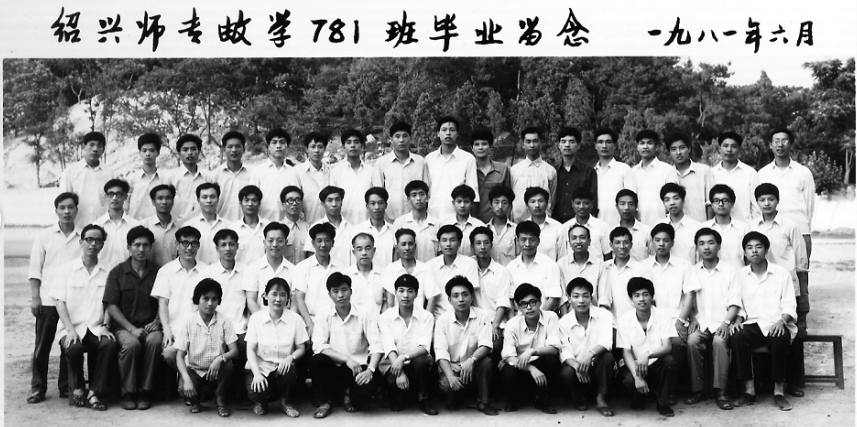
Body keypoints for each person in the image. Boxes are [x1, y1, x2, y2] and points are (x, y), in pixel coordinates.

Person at [728, 232, 798, 411]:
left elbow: (789, 304)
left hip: (777, 322)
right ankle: (749, 391)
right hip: (752, 324)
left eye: (758, 247)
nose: (754, 251)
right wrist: (738, 319)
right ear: (744, 252)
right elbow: (738, 303)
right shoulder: (740, 275)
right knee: (737, 336)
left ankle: (779, 392)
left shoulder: (781, 273)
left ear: (766, 250)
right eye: (749, 248)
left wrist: (781, 321)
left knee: (779, 337)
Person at [52, 224, 118, 411]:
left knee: (108, 344)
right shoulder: (66, 269)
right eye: (89, 239)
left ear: (103, 244)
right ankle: (78, 386)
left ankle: (95, 392)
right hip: (72, 328)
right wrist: (70, 330)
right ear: (81, 242)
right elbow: (59, 302)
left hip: (97, 327)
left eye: (98, 240)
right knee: (73, 347)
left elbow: (110, 302)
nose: (93, 244)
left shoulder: (109, 270)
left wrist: (105, 325)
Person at [26, 192, 79, 404]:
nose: (66, 212)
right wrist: (35, 297)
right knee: (42, 347)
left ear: (76, 210)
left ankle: (66, 387)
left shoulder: (83, 237)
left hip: (71, 302)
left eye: (70, 207)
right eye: (62, 208)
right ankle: (38, 388)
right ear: (56, 210)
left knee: (69, 345)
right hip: (48, 300)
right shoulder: (44, 237)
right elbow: (35, 270)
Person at [104, 226, 162, 410]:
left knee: (155, 341)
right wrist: (131, 329)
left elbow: (165, 300)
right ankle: (128, 392)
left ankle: (145, 391)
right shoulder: (117, 272)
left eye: (145, 245)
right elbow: (111, 306)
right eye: (137, 245)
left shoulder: (159, 272)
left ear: (151, 247)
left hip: (151, 326)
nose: (141, 249)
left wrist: (157, 321)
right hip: (123, 327)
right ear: (129, 247)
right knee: (131, 345)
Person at [310, 272, 383, 418]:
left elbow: (377, 345)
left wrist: (370, 370)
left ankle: (348, 394)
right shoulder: (323, 313)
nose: (340, 295)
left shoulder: (364, 313)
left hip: (357, 368)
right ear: (329, 295)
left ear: (351, 291)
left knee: (365, 396)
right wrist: (346, 359)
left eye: (344, 290)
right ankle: (325, 402)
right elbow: (318, 345)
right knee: (317, 360)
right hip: (334, 366)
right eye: (335, 291)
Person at [644, 223, 700, 403]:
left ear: (672, 243)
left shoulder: (683, 265)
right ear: (652, 242)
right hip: (652, 321)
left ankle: (670, 391)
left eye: (666, 240)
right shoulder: (644, 266)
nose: (661, 244)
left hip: (676, 320)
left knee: (675, 345)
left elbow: (689, 294)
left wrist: (681, 320)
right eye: (657, 240)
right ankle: (653, 388)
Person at [685, 228, 739, 410]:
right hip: (700, 323)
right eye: (701, 244)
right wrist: (692, 318)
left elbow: (735, 302)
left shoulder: (730, 272)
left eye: (710, 243)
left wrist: (726, 323)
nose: (706, 247)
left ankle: (721, 392)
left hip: (722, 322)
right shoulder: (692, 271)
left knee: (719, 342)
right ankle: (697, 390)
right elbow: (687, 300)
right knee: (692, 341)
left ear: (719, 246)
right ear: (697, 248)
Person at [201, 229, 252, 406]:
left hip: (239, 326)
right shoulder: (208, 273)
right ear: (217, 248)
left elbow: (250, 301)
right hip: (215, 326)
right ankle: (217, 391)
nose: (228, 248)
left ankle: (240, 391)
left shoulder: (247, 271)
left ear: (237, 246)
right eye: (223, 245)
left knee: (244, 344)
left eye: (231, 244)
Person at [174, 278, 239, 417]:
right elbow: (179, 356)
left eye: (214, 299)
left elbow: (234, 351)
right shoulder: (187, 322)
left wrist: (220, 359)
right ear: (198, 299)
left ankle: (220, 400)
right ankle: (195, 401)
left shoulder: (225, 321)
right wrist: (186, 379)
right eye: (205, 298)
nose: (210, 303)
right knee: (183, 388)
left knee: (228, 366)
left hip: (216, 371)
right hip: (195, 370)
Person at [434, 276, 497, 416]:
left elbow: (486, 345)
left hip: (473, 365)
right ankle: (459, 396)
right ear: (449, 300)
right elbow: (441, 352)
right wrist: (450, 375)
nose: (461, 299)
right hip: (452, 367)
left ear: (471, 297)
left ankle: (483, 402)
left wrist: (471, 360)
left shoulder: (483, 316)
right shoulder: (442, 321)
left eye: (465, 294)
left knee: (486, 362)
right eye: (455, 296)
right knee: (447, 387)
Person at [245, 278, 308, 417]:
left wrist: (291, 357)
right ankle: (261, 403)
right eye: (274, 294)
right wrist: (257, 374)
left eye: (282, 295)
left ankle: (285, 402)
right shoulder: (256, 318)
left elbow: (301, 348)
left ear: (288, 298)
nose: (278, 299)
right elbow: (250, 350)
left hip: (282, 368)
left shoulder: (295, 319)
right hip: (261, 367)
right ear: (265, 296)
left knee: (290, 370)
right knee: (255, 391)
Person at [752, 183, 809, 337]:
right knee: (767, 327)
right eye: (762, 200)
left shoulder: (790, 226)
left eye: (771, 199)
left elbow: (801, 261)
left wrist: (801, 290)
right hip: (763, 284)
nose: (766, 203)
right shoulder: (752, 226)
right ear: (757, 202)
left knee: (791, 327)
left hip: (787, 283)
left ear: (778, 200)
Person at [377, 274, 438, 415]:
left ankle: (424, 399)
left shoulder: (426, 316)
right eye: (401, 291)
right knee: (397, 404)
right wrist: (400, 373)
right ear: (395, 293)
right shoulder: (385, 317)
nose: (405, 295)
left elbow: (424, 347)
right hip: (393, 364)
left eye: (410, 291)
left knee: (421, 363)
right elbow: (389, 346)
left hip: (416, 363)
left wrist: (403, 357)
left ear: (416, 294)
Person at [617, 277, 678, 417]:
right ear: (631, 299)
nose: (641, 299)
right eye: (636, 295)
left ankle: (662, 403)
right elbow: (626, 353)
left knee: (668, 361)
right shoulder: (624, 320)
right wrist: (636, 376)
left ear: (652, 297)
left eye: (645, 294)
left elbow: (667, 347)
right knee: (629, 382)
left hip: (656, 364)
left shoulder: (663, 316)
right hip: (636, 366)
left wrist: (648, 355)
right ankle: (639, 397)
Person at [151, 226, 207, 369]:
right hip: (174, 330)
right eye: (185, 243)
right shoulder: (166, 271)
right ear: (177, 245)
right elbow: (163, 304)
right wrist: (166, 331)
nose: (189, 248)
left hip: (200, 332)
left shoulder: (207, 271)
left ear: (198, 246)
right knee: (168, 354)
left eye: (194, 243)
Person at [558, 278, 615, 416]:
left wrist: (590, 355)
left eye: (585, 296)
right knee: (566, 373)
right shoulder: (564, 322)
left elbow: (607, 342)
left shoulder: (604, 315)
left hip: (597, 367)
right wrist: (577, 366)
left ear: (591, 297)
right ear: (569, 298)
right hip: (576, 369)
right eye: (576, 296)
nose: (581, 301)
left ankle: (601, 398)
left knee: (607, 357)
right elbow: (564, 351)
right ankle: (578, 397)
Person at [500, 283, 561, 414]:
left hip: (541, 365)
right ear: (518, 307)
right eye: (524, 304)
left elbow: (554, 348)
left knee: (551, 360)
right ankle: (514, 400)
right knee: (508, 370)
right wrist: (531, 368)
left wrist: (532, 351)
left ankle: (544, 400)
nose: (529, 307)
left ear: (540, 302)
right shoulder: (512, 325)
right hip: (521, 367)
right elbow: (508, 356)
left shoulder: (551, 317)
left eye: (532, 302)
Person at [758, 129, 816, 259]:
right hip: (771, 231)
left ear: (791, 144)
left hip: (800, 230)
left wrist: (806, 228)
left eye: (784, 141)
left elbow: (810, 205)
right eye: (776, 141)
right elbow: (759, 204)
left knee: (800, 269)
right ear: (770, 145)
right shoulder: (762, 174)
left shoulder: (803, 172)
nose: (780, 144)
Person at [293, 223, 346, 339]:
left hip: (336, 321)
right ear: (313, 243)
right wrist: (309, 324)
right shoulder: (302, 267)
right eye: (319, 241)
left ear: (333, 243)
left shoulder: (341, 267)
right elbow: (299, 299)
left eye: (327, 240)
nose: (323, 244)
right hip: (312, 320)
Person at [371, 121, 432, 223]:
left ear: (410, 138)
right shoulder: (381, 163)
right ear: (391, 139)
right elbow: (378, 193)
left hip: (416, 220)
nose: (401, 140)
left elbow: (426, 190)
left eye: (405, 136)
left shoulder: (420, 162)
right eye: (397, 136)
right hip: (390, 221)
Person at [470, 226, 513, 364]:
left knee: (494, 345)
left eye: (486, 242)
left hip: (495, 322)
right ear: (472, 247)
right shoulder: (468, 268)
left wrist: (494, 326)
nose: (482, 247)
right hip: (473, 322)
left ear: (491, 245)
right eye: (478, 243)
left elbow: (503, 302)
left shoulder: (502, 271)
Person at [425, 116, 479, 221]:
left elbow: (473, 193)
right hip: (432, 217)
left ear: (457, 133)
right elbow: (426, 191)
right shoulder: (429, 159)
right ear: (438, 133)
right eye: (444, 130)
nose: (448, 133)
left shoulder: (468, 159)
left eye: (452, 130)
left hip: (458, 218)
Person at [59, 131, 115, 227]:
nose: (95, 149)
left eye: (99, 146)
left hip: (103, 227)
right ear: (83, 147)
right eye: (91, 145)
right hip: (78, 227)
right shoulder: (70, 172)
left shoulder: (110, 173)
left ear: (103, 150)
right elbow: (63, 201)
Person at [598, 227, 650, 327]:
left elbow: (647, 299)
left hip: (634, 325)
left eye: (625, 242)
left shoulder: (641, 269)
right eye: (617, 242)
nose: (622, 246)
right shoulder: (604, 267)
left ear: (631, 245)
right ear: (611, 245)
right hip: (611, 325)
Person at [506, 221, 563, 312]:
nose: (527, 244)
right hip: (518, 318)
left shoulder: (550, 265)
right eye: (523, 240)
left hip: (544, 316)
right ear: (517, 241)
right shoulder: (510, 267)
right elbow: (510, 299)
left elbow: (554, 298)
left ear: (538, 241)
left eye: (532, 240)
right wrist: (516, 319)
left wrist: (537, 316)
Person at [381, 228, 442, 314]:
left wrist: (426, 318)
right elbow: (390, 302)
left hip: (420, 318)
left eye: (410, 244)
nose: (407, 248)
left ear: (415, 246)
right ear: (397, 248)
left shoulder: (425, 269)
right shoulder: (390, 269)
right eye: (403, 244)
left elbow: (432, 299)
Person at [427, 225, 481, 318]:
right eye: (444, 240)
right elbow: (430, 298)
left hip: (463, 317)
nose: (448, 244)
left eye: (452, 240)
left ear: (459, 243)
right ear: (439, 243)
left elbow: (471, 294)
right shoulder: (430, 266)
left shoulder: (469, 264)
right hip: (438, 318)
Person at [243, 222, 295, 314]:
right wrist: (263, 321)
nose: (275, 244)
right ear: (264, 242)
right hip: (259, 319)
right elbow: (251, 301)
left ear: (286, 243)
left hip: (286, 320)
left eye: (279, 240)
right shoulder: (252, 269)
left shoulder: (294, 270)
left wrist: (287, 321)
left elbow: (294, 303)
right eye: (270, 240)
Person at [711, 131, 761, 224]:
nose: (729, 150)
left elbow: (756, 206)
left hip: (745, 227)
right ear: (719, 149)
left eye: (733, 146)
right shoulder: (711, 173)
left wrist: (754, 227)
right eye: (725, 146)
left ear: (739, 150)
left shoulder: (750, 173)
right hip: (717, 228)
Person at [631, 129, 678, 225]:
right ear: (637, 147)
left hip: (662, 225)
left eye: (649, 143)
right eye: (642, 143)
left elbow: (674, 199)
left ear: (656, 147)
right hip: (638, 227)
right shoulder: (632, 172)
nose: (645, 147)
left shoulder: (667, 170)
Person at [510, 127, 557, 222]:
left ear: (541, 143)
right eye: (528, 142)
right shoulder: (514, 170)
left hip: (542, 223)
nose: (532, 145)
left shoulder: (550, 171)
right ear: (523, 144)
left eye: (535, 141)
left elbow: (553, 199)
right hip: (518, 221)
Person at [554, 127, 598, 223]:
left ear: (578, 145)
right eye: (563, 141)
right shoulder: (553, 171)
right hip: (555, 223)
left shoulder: (588, 172)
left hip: (580, 223)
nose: (567, 145)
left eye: (571, 142)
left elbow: (593, 201)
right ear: (559, 145)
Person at [667, 132, 714, 222]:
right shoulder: (667, 173)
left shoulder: (704, 171)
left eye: (682, 148)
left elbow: (710, 202)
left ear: (689, 149)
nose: (678, 152)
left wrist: (709, 225)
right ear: (669, 152)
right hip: (675, 226)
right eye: (673, 149)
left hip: (700, 224)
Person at [256, 128, 302, 221]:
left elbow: (298, 199)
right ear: (268, 146)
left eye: (282, 142)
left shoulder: (293, 172)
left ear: (286, 146)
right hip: (264, 223)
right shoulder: (258, 171)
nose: (278, 146)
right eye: (274, 142)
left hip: (288, 224)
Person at [330, 128, 374, 224]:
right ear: (343, 146)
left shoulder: (371, 171)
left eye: (356, 142)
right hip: (343, 225)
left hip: (367, 225)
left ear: (362, 145)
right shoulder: (336, 172)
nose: (353, 145)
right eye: (349, 142)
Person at [557, 224, 603, 316]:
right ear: (569, 242)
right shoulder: (561, 264)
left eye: (582, 237)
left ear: (589, 241)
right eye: (574, 238)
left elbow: (603, 297)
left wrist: (600, 318)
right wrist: (566, 320)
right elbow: (562, 298)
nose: (578, 241)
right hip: (569, 315)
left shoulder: (600, 265)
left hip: (595, 315)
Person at [593, 128, 636, 226]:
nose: (604, 146)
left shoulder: (624, 169)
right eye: (600, 142)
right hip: (597, 226)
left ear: (614, 145)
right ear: (595, 145)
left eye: (608, 142)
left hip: (620, 226)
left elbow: (632, 201)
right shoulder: (592, 172)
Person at [703, 184, 751, 270]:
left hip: (738, 275)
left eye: (725, 200)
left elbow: (749, 259)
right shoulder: (704, 228)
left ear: (732, 204)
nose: (721, 204)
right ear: (712, 205)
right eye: (716, 201)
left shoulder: (743, 228)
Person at [304, 185, 355, 265]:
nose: (334, 204)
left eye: (337, 200)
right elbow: (311, 258)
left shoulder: (352, 229)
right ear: (323, 204)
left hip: (346, 272)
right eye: (330, 200)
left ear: (341, 202)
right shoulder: (315, 227)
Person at [214, 131, 259, 222]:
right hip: (221, 225)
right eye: (230, 146)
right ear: (224, 149)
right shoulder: (215, 175)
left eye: (238, 146)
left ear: (244, 149)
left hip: (246, 225)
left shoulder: (253, 174)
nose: (234, 150)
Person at [96, 179, 140, 269]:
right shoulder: (97, 226)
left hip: (127, 274)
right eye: (111, 194)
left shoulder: (135, 226)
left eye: (118, 194)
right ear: (106, 197)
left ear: (125, 197)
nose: (114, 198)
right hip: (103, 274)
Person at [167, 134, 211, 224]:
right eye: (185, 150)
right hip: (178, 226)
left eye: (193, 149)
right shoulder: (171, 177)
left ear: (199, 152)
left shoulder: (208, 177)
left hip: (203, 225)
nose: (190, 153)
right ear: (179, 153)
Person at [470, 127, 511, 223]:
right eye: (477, 144)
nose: (480, 147)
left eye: (484, 144)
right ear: (472, 148)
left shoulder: (502, 169)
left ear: (491, 147)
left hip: (496, 222)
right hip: (473, 221)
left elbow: (508, 197)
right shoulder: (468, 170)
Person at [392, 180, 439, 262]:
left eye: (421, 194)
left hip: (431, 269)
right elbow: (396, 252)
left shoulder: (436, 224)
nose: (418, 198)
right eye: (414, 195)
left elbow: (440, 253)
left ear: (427, 197)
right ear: (408, 199)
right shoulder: (400, 223)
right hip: (406, 269)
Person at [343, 233, 387, 314]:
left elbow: (388, 303)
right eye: (359, 249)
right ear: (354, 252)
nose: (364, 253)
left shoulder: (384, 274)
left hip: (377, 321)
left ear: (374, 250)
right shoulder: (346, 275)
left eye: (368, 248)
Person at [657, 183, 702, 263]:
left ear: (683, 200)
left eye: (676, 198)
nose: (672, 203)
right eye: (667, 200)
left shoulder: (696, 227)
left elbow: (699, 258)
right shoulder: (658, 226)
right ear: (663, 203)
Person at [184, 182, 227, 265]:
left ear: (218, 199)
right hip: (197, 271)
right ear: (198, 200)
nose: (209, 201)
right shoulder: (189, 225)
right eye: (204, 197)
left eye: (212, 197)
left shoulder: (227, 225)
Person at [520, 187, 567, 261]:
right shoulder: (521, 228)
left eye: (541, 201)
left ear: (547, 204)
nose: (537, 205)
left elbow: (562, 257)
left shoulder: (558, 228)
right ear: (527, 205)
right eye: (533, 202)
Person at [355, 187, 396, 270]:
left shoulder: (394, 230)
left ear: (386, 205)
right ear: (367, 206)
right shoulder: (358, 230)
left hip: (389, 275)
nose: (377, 207)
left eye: (380, 203)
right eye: (373, 203)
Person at [563, 187, 610, 260]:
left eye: (586, 203)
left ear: (592, 204)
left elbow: (607, 254)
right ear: (572, 204)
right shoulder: (565, 227)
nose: (581, 207)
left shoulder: (602, 227)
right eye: (578, 203)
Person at [296, 131, 332, 224]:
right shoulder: (297, 172)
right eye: (313, 147)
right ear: (307, 149)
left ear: (324, 149)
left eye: (320, 147)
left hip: (328, 225)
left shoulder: (331, 172)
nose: (317, 150)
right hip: (306, 225)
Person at [440, 185, 485, 257]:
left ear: (472, 204)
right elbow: (440, 252)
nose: (462, 205)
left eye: (466, 202)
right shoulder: (444, 225)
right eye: (459, 201)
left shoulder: (480, 226)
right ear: (453, 203)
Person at [128, 133, 165, 221]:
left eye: (151, 150)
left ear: (158, 153)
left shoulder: (165, 179)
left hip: (158, 224)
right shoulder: (132, 179)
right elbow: (125, 205)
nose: (147, 154)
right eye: (144, 151)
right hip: (135, 224)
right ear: (139, 153)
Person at [140, 184, 179, 267]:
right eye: (160, 198)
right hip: (149, 273)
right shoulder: (144, 226)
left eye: (168, 198)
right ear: (153, 202)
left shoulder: (179, 228)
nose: (164, 202)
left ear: (173, 201)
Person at [230, 185, 269, 264]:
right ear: (240, 203)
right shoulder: (232, 228)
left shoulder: (268, 227)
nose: (250, 204)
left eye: (254, 200)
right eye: (246, 200)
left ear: (259, 203)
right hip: (240, 271)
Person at [613, 189, 652, 262]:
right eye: (622, 204)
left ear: (636, 206)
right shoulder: (611, 231)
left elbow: (654, 257)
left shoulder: (647, 231)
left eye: (630, 204)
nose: (626, 208)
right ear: (617, 207)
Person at [486, 185, 519, 266]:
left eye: (504, 203)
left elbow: (520, 257)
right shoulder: (484, 230)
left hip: (510, 273)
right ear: (490, 205)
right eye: (496, 202)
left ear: (510, 206)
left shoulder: (516, 230)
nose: (500, 206)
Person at [279, 185, 310, 265]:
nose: (294, 203)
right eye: (290, 200)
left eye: (298, 200)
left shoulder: (308, 228)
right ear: (283, 205)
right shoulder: (277, 229)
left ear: (302, 204)